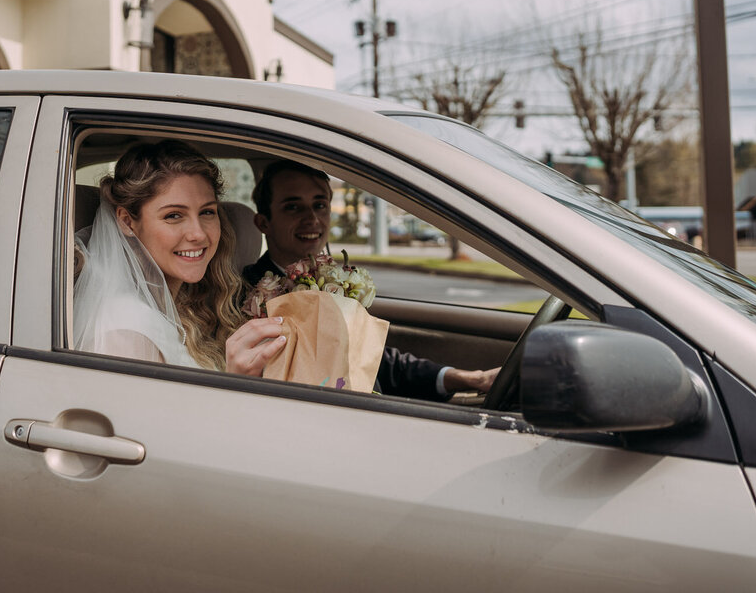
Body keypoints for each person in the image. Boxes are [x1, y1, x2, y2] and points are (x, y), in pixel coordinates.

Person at [243, 159, 499, 401]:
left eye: (320, 205)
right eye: (293, 207)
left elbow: (377, 361)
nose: (312, 218)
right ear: (263, 222)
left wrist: (471, 378)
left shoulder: (334, 281)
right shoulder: (244, 293)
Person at [73, 139, 288, 375]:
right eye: (173, 215)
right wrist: (237, 380)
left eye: (207, 212)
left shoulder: (187, 311)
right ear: (127, 222)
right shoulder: (126, 333)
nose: (198, 233)